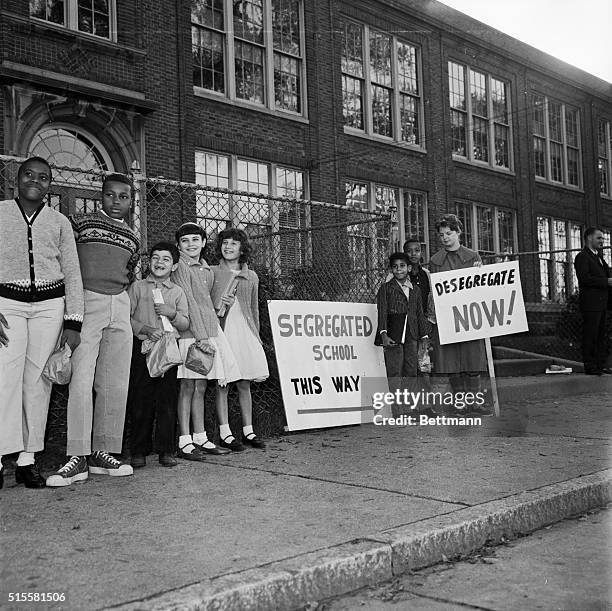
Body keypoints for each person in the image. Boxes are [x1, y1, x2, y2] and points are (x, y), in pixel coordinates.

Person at [46, 173, 140, 487]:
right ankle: (77, 456)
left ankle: (103, 450)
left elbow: (129, 272)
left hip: (120, 305)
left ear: (130, 200)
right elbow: (60, 256)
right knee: (82, 380)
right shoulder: (82, 223)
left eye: (123, 196)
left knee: (115, 383)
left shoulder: (132, 236)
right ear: (102, 196)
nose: (117, 201)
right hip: (88, 301)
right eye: (111, 195)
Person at [0, 157, 83, 490]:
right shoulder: (2, 212)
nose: (35, 180)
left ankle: (26, 460)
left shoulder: (60, 221)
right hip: (7, 305)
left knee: (37, 382)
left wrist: (73, 323)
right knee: (5, 377)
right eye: (29, 175)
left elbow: (73, 273)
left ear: (50, 184)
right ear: (16, 180)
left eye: (44, 177)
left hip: (50, 307)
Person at [171, 222, 238, 460]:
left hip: (208, 333)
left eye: (195, 240)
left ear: (203, 243)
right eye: (185, 241)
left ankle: (200, 437)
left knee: (201, 385)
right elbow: (188, 302)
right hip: (191, 334)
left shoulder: (207, 269)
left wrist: (220, 310)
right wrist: (200, 338)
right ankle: (184, 440)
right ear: (178, 245)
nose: (191, 245)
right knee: (187, 386)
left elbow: (207, 304)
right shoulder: (179, 267)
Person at [126, 242, 189, 468]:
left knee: (167, 401)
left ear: (173, 266)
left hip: (168, 353)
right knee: (140, 401)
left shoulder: (177, 292)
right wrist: (145, 330)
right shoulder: (138, 287)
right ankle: (138, 451)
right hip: (143, 350)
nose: (159, 262)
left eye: (165, 259)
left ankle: (166, 450)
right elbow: (126, 317)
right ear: (148, 261)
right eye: (155, 257)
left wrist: (172, 313)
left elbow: (185, 322)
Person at [211, 228, 269, 451]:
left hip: (244, 331)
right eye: (225, 243)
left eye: (234, 244)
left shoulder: (251, 276)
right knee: (223, 382)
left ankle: (248, 431)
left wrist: (256, 336)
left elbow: (254, 309)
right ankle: (225, 433)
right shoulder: (213, 272)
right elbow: (207, 304)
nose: (228, 247)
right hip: (223, 332)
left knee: (244, 382)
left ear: (242, 249)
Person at [428, 214, 490, 414]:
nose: (445, 237)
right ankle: (460, 403)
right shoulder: (436, 261)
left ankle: (475, 403)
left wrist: (480, 273)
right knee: (452, 361)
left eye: (449, 233)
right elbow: (435, 290)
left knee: (472, 359)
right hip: (448, 317)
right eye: (441, 234)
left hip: (469, 316)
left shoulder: (473, 257)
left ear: (458, 233)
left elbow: (482, 286)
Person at [375, 252, 431, 416]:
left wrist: (424, 336)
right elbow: (382, 312)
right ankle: (398, 411)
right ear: (391, 270)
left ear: (409, 268)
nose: (398, 269)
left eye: (402, 266)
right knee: (395, 372)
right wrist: (383, 333)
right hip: (394, 335)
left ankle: (410, 408)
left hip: (412, 336)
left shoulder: (416, 290)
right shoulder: (386, 288)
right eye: (395, 267)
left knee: (411, 370)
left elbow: (420, 314)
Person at [573, 227, 612, 375]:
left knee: (601, 335)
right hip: (591, 304)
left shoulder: (599, 258)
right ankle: (590, 366)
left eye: (602, 238)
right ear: (589, 238)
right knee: (591, 334)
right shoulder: (582, 257)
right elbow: (584, 278)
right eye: (599, 238)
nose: (602, 241)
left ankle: (600, 364)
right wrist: (606, 282)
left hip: (602, 303)